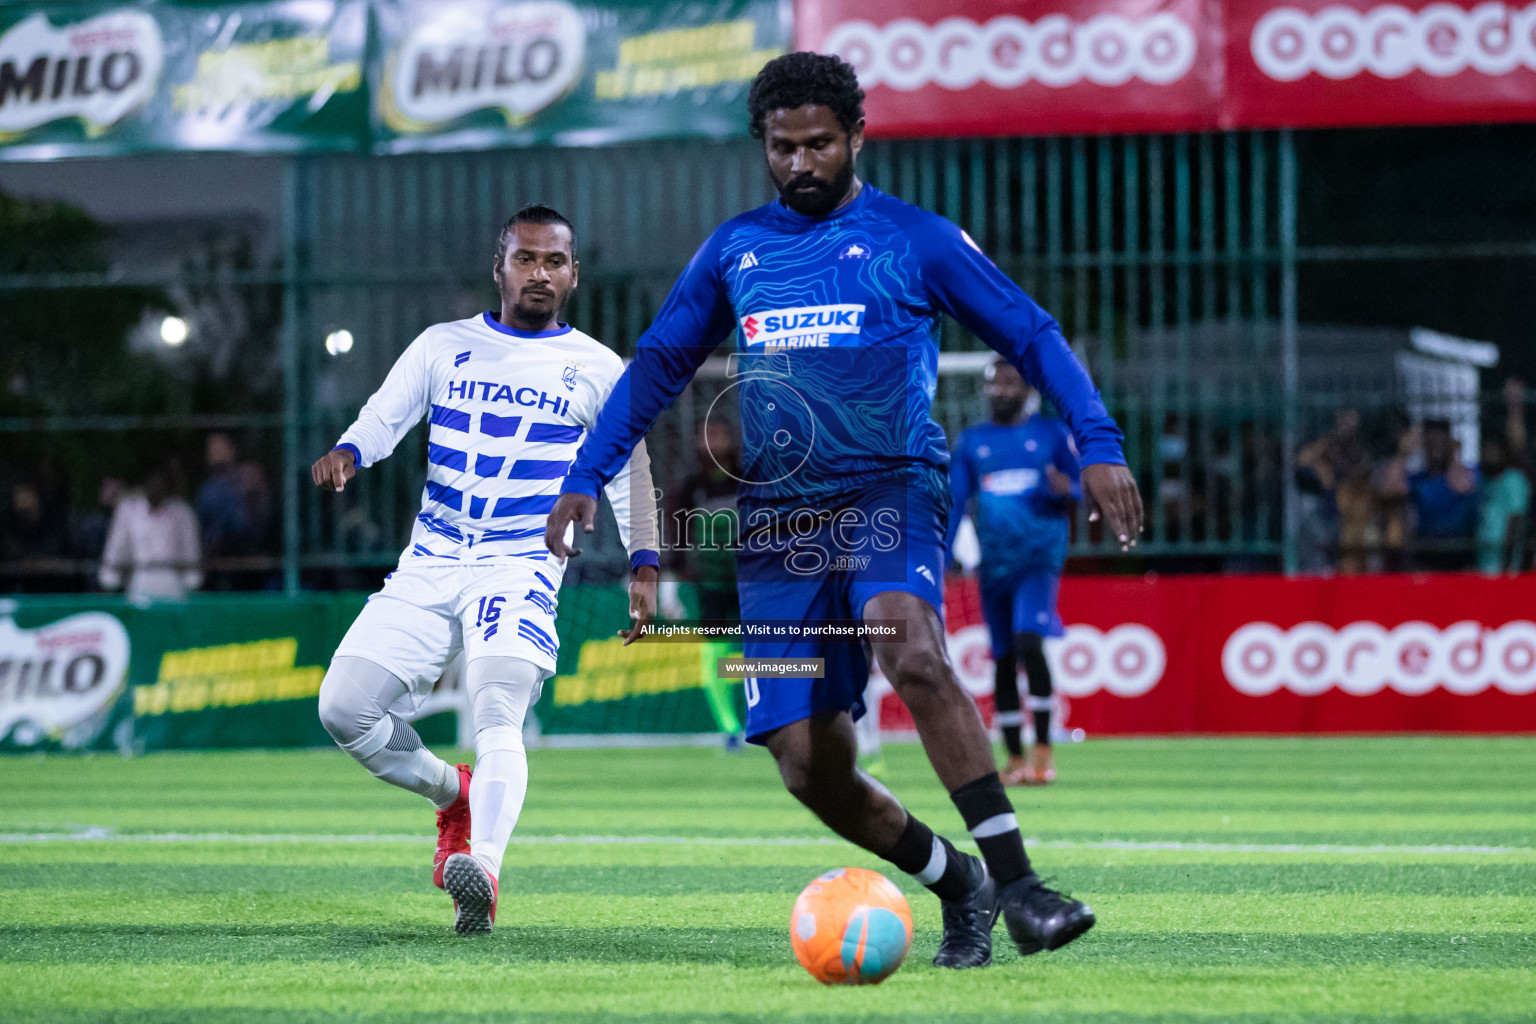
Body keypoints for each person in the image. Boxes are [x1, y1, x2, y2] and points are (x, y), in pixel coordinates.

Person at [545, 53, 1142, 967]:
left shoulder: (915, 238)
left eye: (819, 144)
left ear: (857, 137)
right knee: (805, 765)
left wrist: (1097, 442)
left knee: (908, 642)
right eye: (782, 148)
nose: (800, 164)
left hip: (888, 486)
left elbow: (1030, 332)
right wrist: (587, 471)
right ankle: (960, 882)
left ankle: (1021, 883)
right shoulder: (736, 249)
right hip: (778, 524)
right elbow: (660, 362)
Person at [311, 204, 659, 935]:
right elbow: (386, 414)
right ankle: (452, 795)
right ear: (498, 267)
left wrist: (645, 565)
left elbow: (630, 474)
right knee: (343, 707)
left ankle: (486, 869)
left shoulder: (597, 367)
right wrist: (350, 450)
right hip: (432, 556)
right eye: (526, 258)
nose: (540, 273)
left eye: (555, 261)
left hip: (521, 561)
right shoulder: (443, 345)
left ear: (573, 274)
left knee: (495, 708)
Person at [949, 359, 1080, 786]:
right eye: (994, 382)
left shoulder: (1051, 435)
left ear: (1028, 389)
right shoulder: (972, 443)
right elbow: (955, 501)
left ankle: (1043, 749)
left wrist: (1067, 490)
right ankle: (1013, 758)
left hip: (1038, 557)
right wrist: (946, 550)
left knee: (1028, 641)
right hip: (993, 562)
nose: (1001, 389)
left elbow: (1082, 485)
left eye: (1010, 381)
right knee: (1002, 657)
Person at [1381, 418, 1478, 571]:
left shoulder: (1464, 472)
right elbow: (1390, 490)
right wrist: (1404, 453)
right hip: (1426, 555)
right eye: (1431, 442)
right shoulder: (1419, 480)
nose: (1436, 446)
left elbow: (1463, 486)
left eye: (1441, 441)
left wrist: (1454, 454)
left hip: (1459, 554)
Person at [98, 461, 202, 601]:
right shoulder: (128, 511)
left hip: (174, 590)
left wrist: (193, 582)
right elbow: (116, 549)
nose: (156, 486)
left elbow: (191, 553)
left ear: (168, 485)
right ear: (144, 483)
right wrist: (109, 580)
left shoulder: (182, 512)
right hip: (139, 588)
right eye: (152, 481)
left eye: (161, 482)